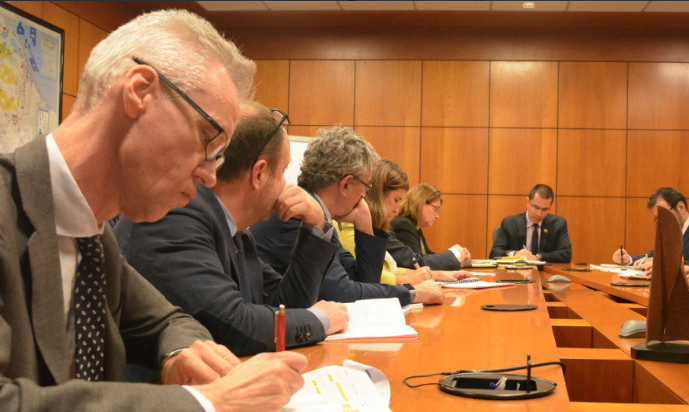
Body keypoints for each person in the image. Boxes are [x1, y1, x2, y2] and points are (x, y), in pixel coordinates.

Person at [0, 9, 305, 411]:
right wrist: (204, 401)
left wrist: (179, 353)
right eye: (208, 140)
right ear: (139, 92)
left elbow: (168, 321)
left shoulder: (93, 238)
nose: (210, 176)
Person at [116, 103, 349, 357]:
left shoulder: (234, 230)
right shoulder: (176, 213)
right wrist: (318, 320)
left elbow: (284, 305)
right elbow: (233, 327)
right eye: (283, 171)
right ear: (258, 174)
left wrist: (314, 228)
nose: (286, 184)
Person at [250, 126, 443, 306]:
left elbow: (364, 281)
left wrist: (364, 224)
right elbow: (341, 293)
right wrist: (412, 293)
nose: (364, 195)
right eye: (366, 185)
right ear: (346, 184)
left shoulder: (321, 215)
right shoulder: (298, 215)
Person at [338, 160, 472, 284]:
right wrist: (410, 279)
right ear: (377, 195)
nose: (397, 209)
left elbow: (392, 269)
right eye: (396, 200)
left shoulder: (376, 225)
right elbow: (372, 277)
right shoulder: (349, 224)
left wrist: (436, 274)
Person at [612, 186, 689, 267]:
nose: (661, 222)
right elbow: (653, 256)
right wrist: (628, 259)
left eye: (664, 215)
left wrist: (661, 265)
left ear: (681, 207)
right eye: (657, 218)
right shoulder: (670, 233)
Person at [390, 183, 471, 268]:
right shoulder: (403, 225)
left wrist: (457, 258)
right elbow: (418, 264)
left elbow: (426, 255)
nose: (437, 216)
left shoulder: (415, 226)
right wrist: (454, 253)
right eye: (436, 209)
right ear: (420, 202)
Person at [489, 184, 572, 263]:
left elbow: (566, 254)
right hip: (517, 272)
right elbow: (495, 253)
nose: (539, 214)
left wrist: (538, 257)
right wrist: (515, 254)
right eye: (536, 207)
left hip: (546, 271)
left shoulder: (558, 224)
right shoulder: (510, 223)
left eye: (545, 209)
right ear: (528, 202)